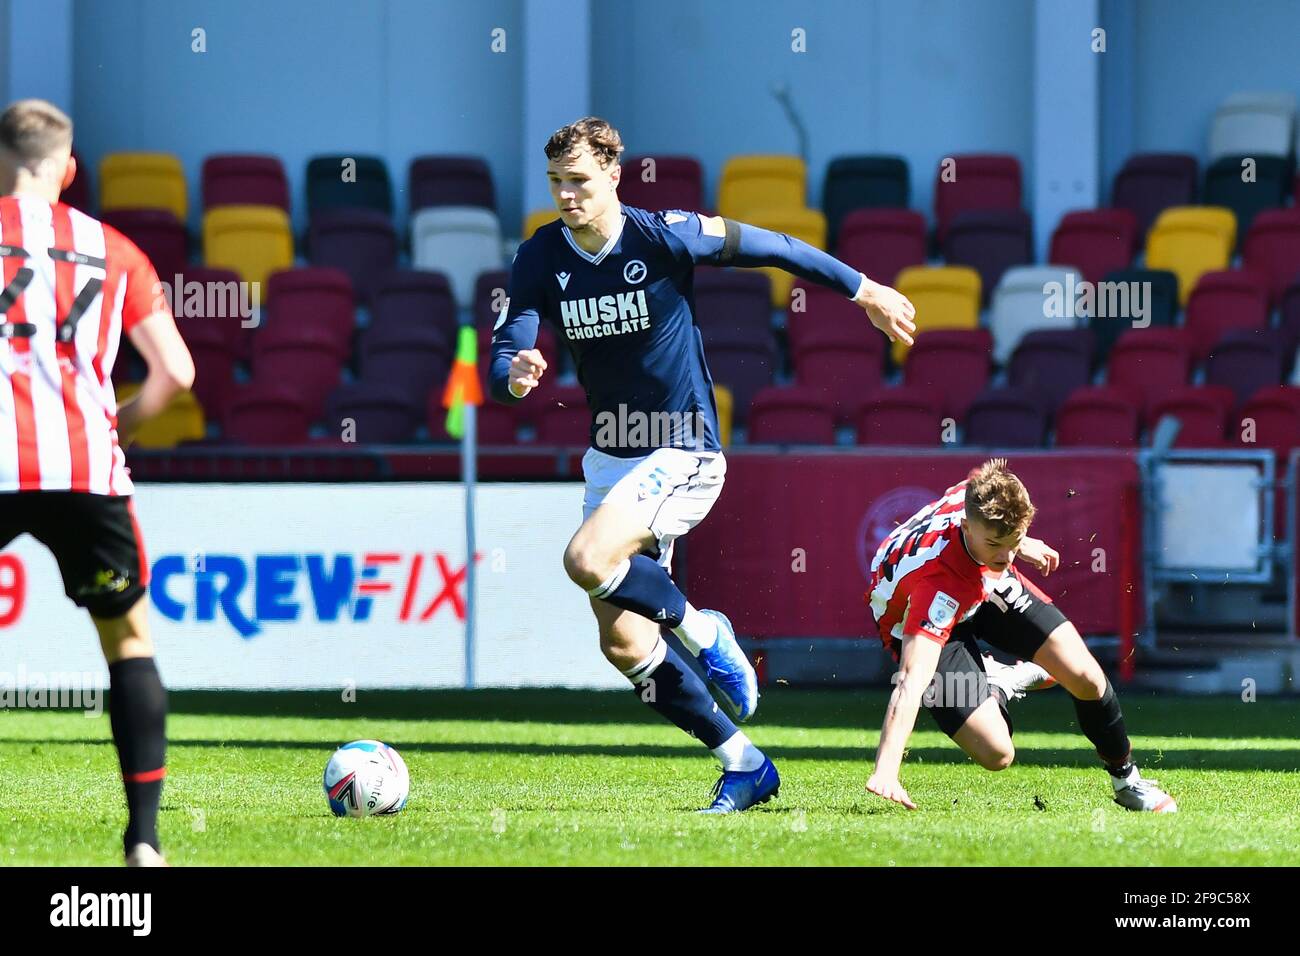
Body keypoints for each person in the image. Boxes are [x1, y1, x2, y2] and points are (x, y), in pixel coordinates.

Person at [490, 117, 916, 812]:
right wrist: (515, 371)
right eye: (557, 183)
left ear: (613, 177)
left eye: (580, 182)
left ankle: (700, 629)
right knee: (625, 645)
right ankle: (743, 761)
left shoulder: (664, 235)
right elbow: (510, 340)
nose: (567, 196)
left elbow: (771, 246)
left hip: (681, 447)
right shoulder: (542, 254)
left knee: (586, 561)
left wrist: (863, 289)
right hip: (612, 458)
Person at [0, 99, 196, 864]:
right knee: (128, 642)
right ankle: (144, 842)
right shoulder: (111, 247)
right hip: (83, 466)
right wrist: (117, 426)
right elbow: (175, 372)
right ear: (70, 168)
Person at [863, 458, 1177, 813]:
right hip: (926, 610)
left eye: (1014, 541)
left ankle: (1127, 781)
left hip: (982, 582)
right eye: (997, 542)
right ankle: (998, 682)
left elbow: (988, 481)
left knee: (1087, 677)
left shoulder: (983, 507)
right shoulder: (937, 587)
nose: (1008, 554)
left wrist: (1013, 543)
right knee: (998, 753)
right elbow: (909, 681)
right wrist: (886, 769)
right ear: (966, 527)